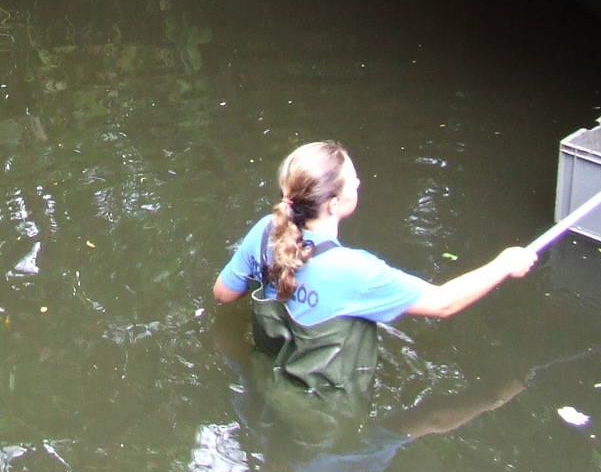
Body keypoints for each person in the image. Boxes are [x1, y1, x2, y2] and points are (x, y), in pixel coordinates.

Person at [212, 140, 536, 394]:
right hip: (324, 417)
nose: (359, 182)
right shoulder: (357, 271)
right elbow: (444, 303)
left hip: (265, 384)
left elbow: (223, 294)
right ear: (334, 203)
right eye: (353, 180)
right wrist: (504, 264)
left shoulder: (265, 230)